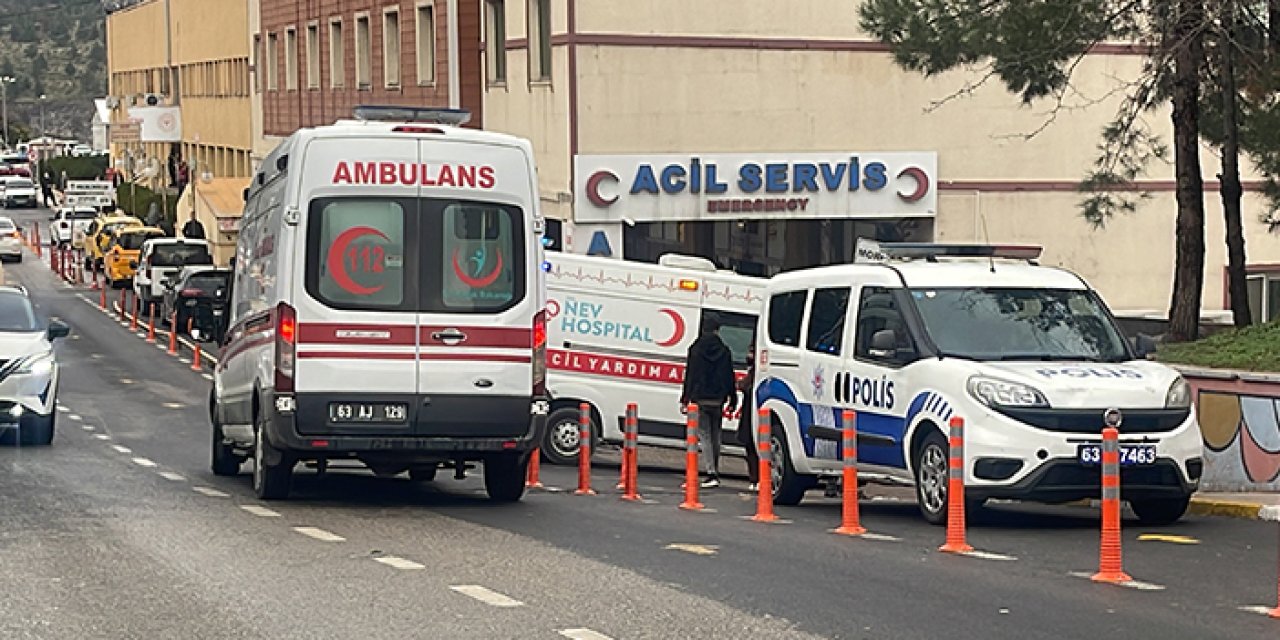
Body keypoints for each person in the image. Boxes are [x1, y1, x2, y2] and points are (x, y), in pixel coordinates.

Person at [679, 316, 736, 488]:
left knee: (704, 436)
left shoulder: (695, 349)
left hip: (700, 397)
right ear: (717, 330)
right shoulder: (724, 350)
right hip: (718, 399)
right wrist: (732, 397)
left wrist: (685, 398)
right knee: (716, 435)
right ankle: (715, 470)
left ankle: (711, 473)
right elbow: (729, 376)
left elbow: (691, 375)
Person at [736, 341, 761, 491]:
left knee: (752, 447)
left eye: (752, 352)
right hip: (751, 411)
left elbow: (746, 385)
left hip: (752, 413)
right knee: (751, 447)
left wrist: (740, 384)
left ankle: (756, 478)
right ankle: (755, 479)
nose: (748, 355)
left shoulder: (756, 371)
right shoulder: (754, 369)